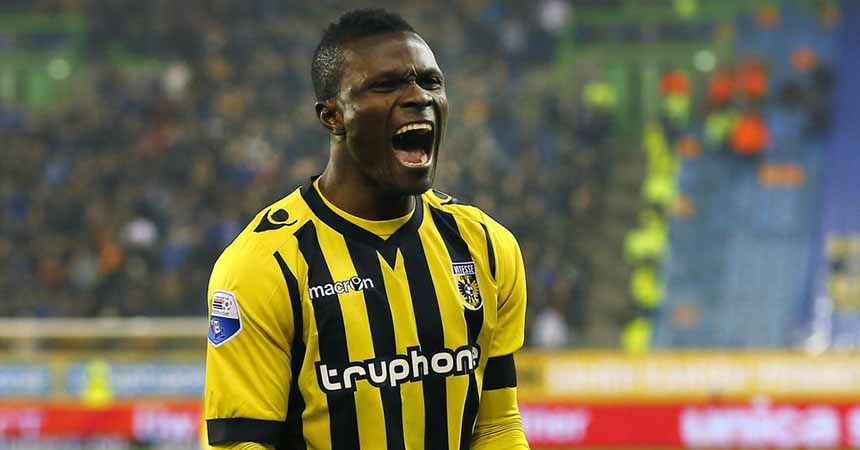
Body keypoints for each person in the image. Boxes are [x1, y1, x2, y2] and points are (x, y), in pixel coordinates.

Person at [204, 9, 529, 450]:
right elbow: (241, 444)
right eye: (386, 85)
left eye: (431, 82)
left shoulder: (485, 247)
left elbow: (497, 426)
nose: (419, 97)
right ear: (332, 115)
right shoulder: (264, 266)